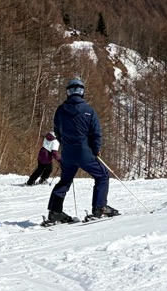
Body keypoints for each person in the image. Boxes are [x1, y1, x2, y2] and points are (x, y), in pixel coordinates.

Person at [46, 77, 117, 223]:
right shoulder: (88, 110)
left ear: (69, 92)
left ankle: (55, 211)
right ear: (82, 92)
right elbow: (96, 133)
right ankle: (99, 207)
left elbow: (57, 131)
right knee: (102, 175)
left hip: (67, 153)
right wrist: (96, 150)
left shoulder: (60, 110)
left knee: (65, 181)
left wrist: (65, 144)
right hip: (84, 152)